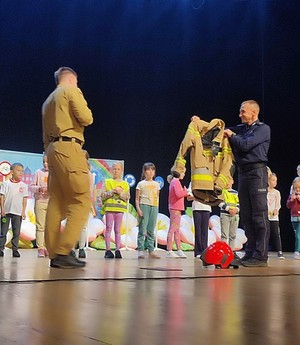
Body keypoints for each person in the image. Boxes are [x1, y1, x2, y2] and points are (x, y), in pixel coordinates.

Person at [42, 66, 93, 268]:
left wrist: (49, 153)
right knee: (81, 201)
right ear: (72, 79)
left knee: (56, 202)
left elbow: (45, 135)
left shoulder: (47, 101)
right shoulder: (71, 90)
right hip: (70, 147)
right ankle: (64, 251)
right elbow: (87, 118)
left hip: (52, 151)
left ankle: (54, 252)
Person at [224, 100, 271, 267]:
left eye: (243, 111)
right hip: (243, 173)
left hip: (257, 173)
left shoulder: (263, 129)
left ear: (253, 113)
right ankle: (250, 252)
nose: (240, 114)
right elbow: (223, 129)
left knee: (259, 216)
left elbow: (245, 145)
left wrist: (231, 135)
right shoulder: (242, 129)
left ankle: (260, 256)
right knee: (246, 216)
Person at [101, 161, 130, 259]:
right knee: (108, 229)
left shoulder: (125, 184)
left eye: (118, 169)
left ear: (121, 171)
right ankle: (108, 250)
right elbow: (102, 196)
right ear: (111, 170)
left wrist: (120, 193)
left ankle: (117, 250)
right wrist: (112, 191)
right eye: (114, 169)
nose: (116, 171)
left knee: (117, 230)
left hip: (119, 209)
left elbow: (127, 197)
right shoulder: (107, 182)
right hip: (109, 208)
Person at [0, 163, 28, 257]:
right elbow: (2, 196)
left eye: (22, 171)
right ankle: (1, 249)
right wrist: (2, 209)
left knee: (16, 232)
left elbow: (24, 199)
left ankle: (15, 249)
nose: (21, 173)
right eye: (18, 170)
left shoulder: (23, 185)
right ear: (12, 172)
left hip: (18, 212)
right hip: (6, 211)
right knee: (3, 231)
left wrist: (23, 211)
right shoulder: (5, 184)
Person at [135, 162, 160, 259]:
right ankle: (141, 249)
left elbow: (157, 197)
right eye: (148, 170)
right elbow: (137, 198)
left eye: (152, 170)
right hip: (144, 205)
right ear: (144, 172)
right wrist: (139, 209)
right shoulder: (141, 184)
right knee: (142, 229)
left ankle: (151, 250)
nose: (150, 172)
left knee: (151, 229)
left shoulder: (157, 184)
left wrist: (156, 209)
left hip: (154, 206)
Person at [76, 150, 97, 259]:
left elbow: (89, 191)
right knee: (71, 225)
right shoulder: (73, 171)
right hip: (73, 201)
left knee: (82, 227)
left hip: (83, 201)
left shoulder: (89, 174)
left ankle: (81, 248)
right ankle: (69, 249)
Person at [30, 154, 49, 257]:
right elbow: (31, 187)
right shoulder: (38, 172)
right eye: (44, 162)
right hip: (40, 202)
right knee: (40, 226)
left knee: (49, 227)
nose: (45, 164)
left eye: (48, 162)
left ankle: (47, 247)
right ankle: (40, 247)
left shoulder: (55, 174)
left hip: (51, 203)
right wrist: (39, 188)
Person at [166, 170, 188, 258]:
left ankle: (179, 249)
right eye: (183, 172)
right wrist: (186, 191)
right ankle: (169, 250)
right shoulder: (175, 181)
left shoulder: (175, 181)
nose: (184, 174)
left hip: (177, 208)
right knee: (172, 228)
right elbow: (178, 194)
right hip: (174, 207)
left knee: (177, 229)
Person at [187, 182, 211, 258]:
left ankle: (204, 250)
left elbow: (211, 196)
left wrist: (199, 197)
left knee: (204, 231)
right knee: (198, 230)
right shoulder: (193, 181)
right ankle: (198, 251)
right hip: (196, 208)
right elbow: (189, 197)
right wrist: (200, 197)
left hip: (206, 208)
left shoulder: (209, 181)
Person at [218, 177, 239, 252]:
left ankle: (231, 252)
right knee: (224, 235)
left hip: (235, 216)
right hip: (225, 215)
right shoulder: (221, 192)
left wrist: (236, 210)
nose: (227, 182)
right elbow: (219, 202)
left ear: (232, 181)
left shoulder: (236, 192)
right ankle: (223, 252)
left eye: (229, 180)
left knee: (233, 235)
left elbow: (239, 203)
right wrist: (228, 209)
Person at [267, 173, 284, 259]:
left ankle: (279, 251)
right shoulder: (265, 191)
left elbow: (278, 204)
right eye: (273, 180)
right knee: (265, 234)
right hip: (266, 216)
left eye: (276, 181)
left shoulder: (277, 193)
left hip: (274, 217)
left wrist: (276, 209)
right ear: (268, 181)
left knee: (276, 234)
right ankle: (263, 251)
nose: (274, 182)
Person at [286, 177, 300, 260]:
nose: (297, 189)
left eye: (299, 188)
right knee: (296, 235)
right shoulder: (292, 195)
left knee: (298, 235)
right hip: (294, 217)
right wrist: (291, 200)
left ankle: (297, 251)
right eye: (296, 188)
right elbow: (288, 206)